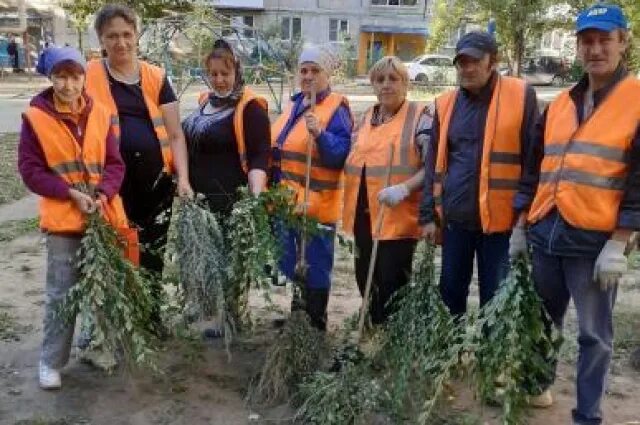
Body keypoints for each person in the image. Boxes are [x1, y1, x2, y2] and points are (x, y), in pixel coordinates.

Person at [512, 4, 640, 422]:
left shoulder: (635, 101)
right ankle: (536, 388)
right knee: (541, 320)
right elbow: (534, 168)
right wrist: (520, 225)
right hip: (547, 231)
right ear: (578, 47)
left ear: (624, 42)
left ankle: (588, 415)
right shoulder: (560, 105)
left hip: (594, 241)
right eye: (587, 40)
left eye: (605, 39)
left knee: (593, 335)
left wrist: (620, 242)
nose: (596, 48)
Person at [17, 47, 127, 389]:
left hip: (101, 216)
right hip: (64, 221)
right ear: (50, 78)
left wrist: (104, 193)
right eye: (61, 76)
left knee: (104, 288)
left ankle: (97, 345)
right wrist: (69, 194)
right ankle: (51, 362)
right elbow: (30, 171)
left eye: (75, 76)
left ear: (84, 76)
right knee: (62, 293)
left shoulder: (101, 113)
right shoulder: (36, 118)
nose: (69, 84)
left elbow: (114, 164)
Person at [85, 4, 193, 331]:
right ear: (101, 40)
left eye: (127, 34)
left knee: (153, 253)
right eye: (112, 36)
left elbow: (175, 134)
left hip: (157, 183)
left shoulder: (156, 77)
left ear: (137, 36)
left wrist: (183, 179)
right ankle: (119, 319)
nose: (121, 42)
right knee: (119, 249)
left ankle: (150, 317)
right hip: (111, 185)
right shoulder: (89, 75)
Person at [419, 31, 539, 316]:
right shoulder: (445, 104)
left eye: (475, 61)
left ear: (492, 61)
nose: (467, 68)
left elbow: (534, 160)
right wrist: (428, 215)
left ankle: (488, 359)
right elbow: (433, 163)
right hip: (456, 219)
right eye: (461, 62)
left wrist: (523, 220)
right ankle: (450, 356)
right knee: (449, 293)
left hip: (501, 222)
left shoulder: (521, 96)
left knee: (495, 299)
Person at [182, 39, 270, 332]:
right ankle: (209, 310)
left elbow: (260, 155)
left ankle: (231, 318)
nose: (219, 80)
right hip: (199, 200)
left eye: (225, 73)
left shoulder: (250, 107)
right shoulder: (204, 101)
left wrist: (255, 197)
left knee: (228, 262)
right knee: (205, 259)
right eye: (214, 73)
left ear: (237, 72)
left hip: (229, 199)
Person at [271, 45, 353, 330]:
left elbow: (339, 155)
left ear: (327, 74)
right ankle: (299, 317)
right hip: (291, 203)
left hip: (318, 206)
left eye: (315, 71)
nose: (308, 76)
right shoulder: (296, 104)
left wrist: (320, 133)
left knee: (315, 266)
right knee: (296, 263)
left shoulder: (336, 109)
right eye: (303, 70)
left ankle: (314, 325)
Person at [342, 56, 429, 325]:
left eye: (393, 79)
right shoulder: (367, 117)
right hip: (363, 214)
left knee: (392, 281)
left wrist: (404, 189)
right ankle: (372, 326)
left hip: (398, 217)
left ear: (406, 84)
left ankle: (391, 336)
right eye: (380, 80)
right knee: (364, 275)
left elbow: (434, 166)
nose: (386, 85)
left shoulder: (420, 117)